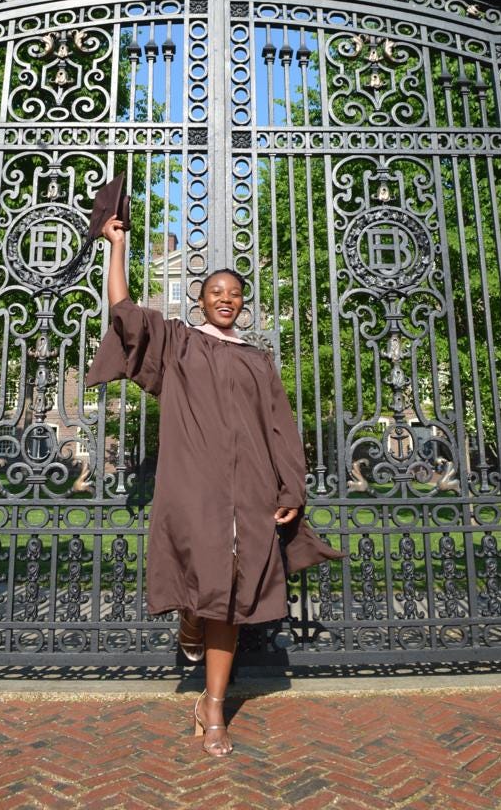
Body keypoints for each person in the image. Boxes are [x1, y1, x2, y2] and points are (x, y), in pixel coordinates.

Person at [86, 214, 344, 756]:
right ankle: (189, 623)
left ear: (242, 303)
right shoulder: (178, 344)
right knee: (202, 579)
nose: (225, 299)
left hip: (249, 490)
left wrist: (291, 489)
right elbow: (125, 313)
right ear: (200, 301)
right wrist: (118, 246)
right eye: (215, 292)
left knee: (229, 597)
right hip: (194, 486)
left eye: (234, 294)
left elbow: (280, 427)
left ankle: (214, 708)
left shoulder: (257, 359)